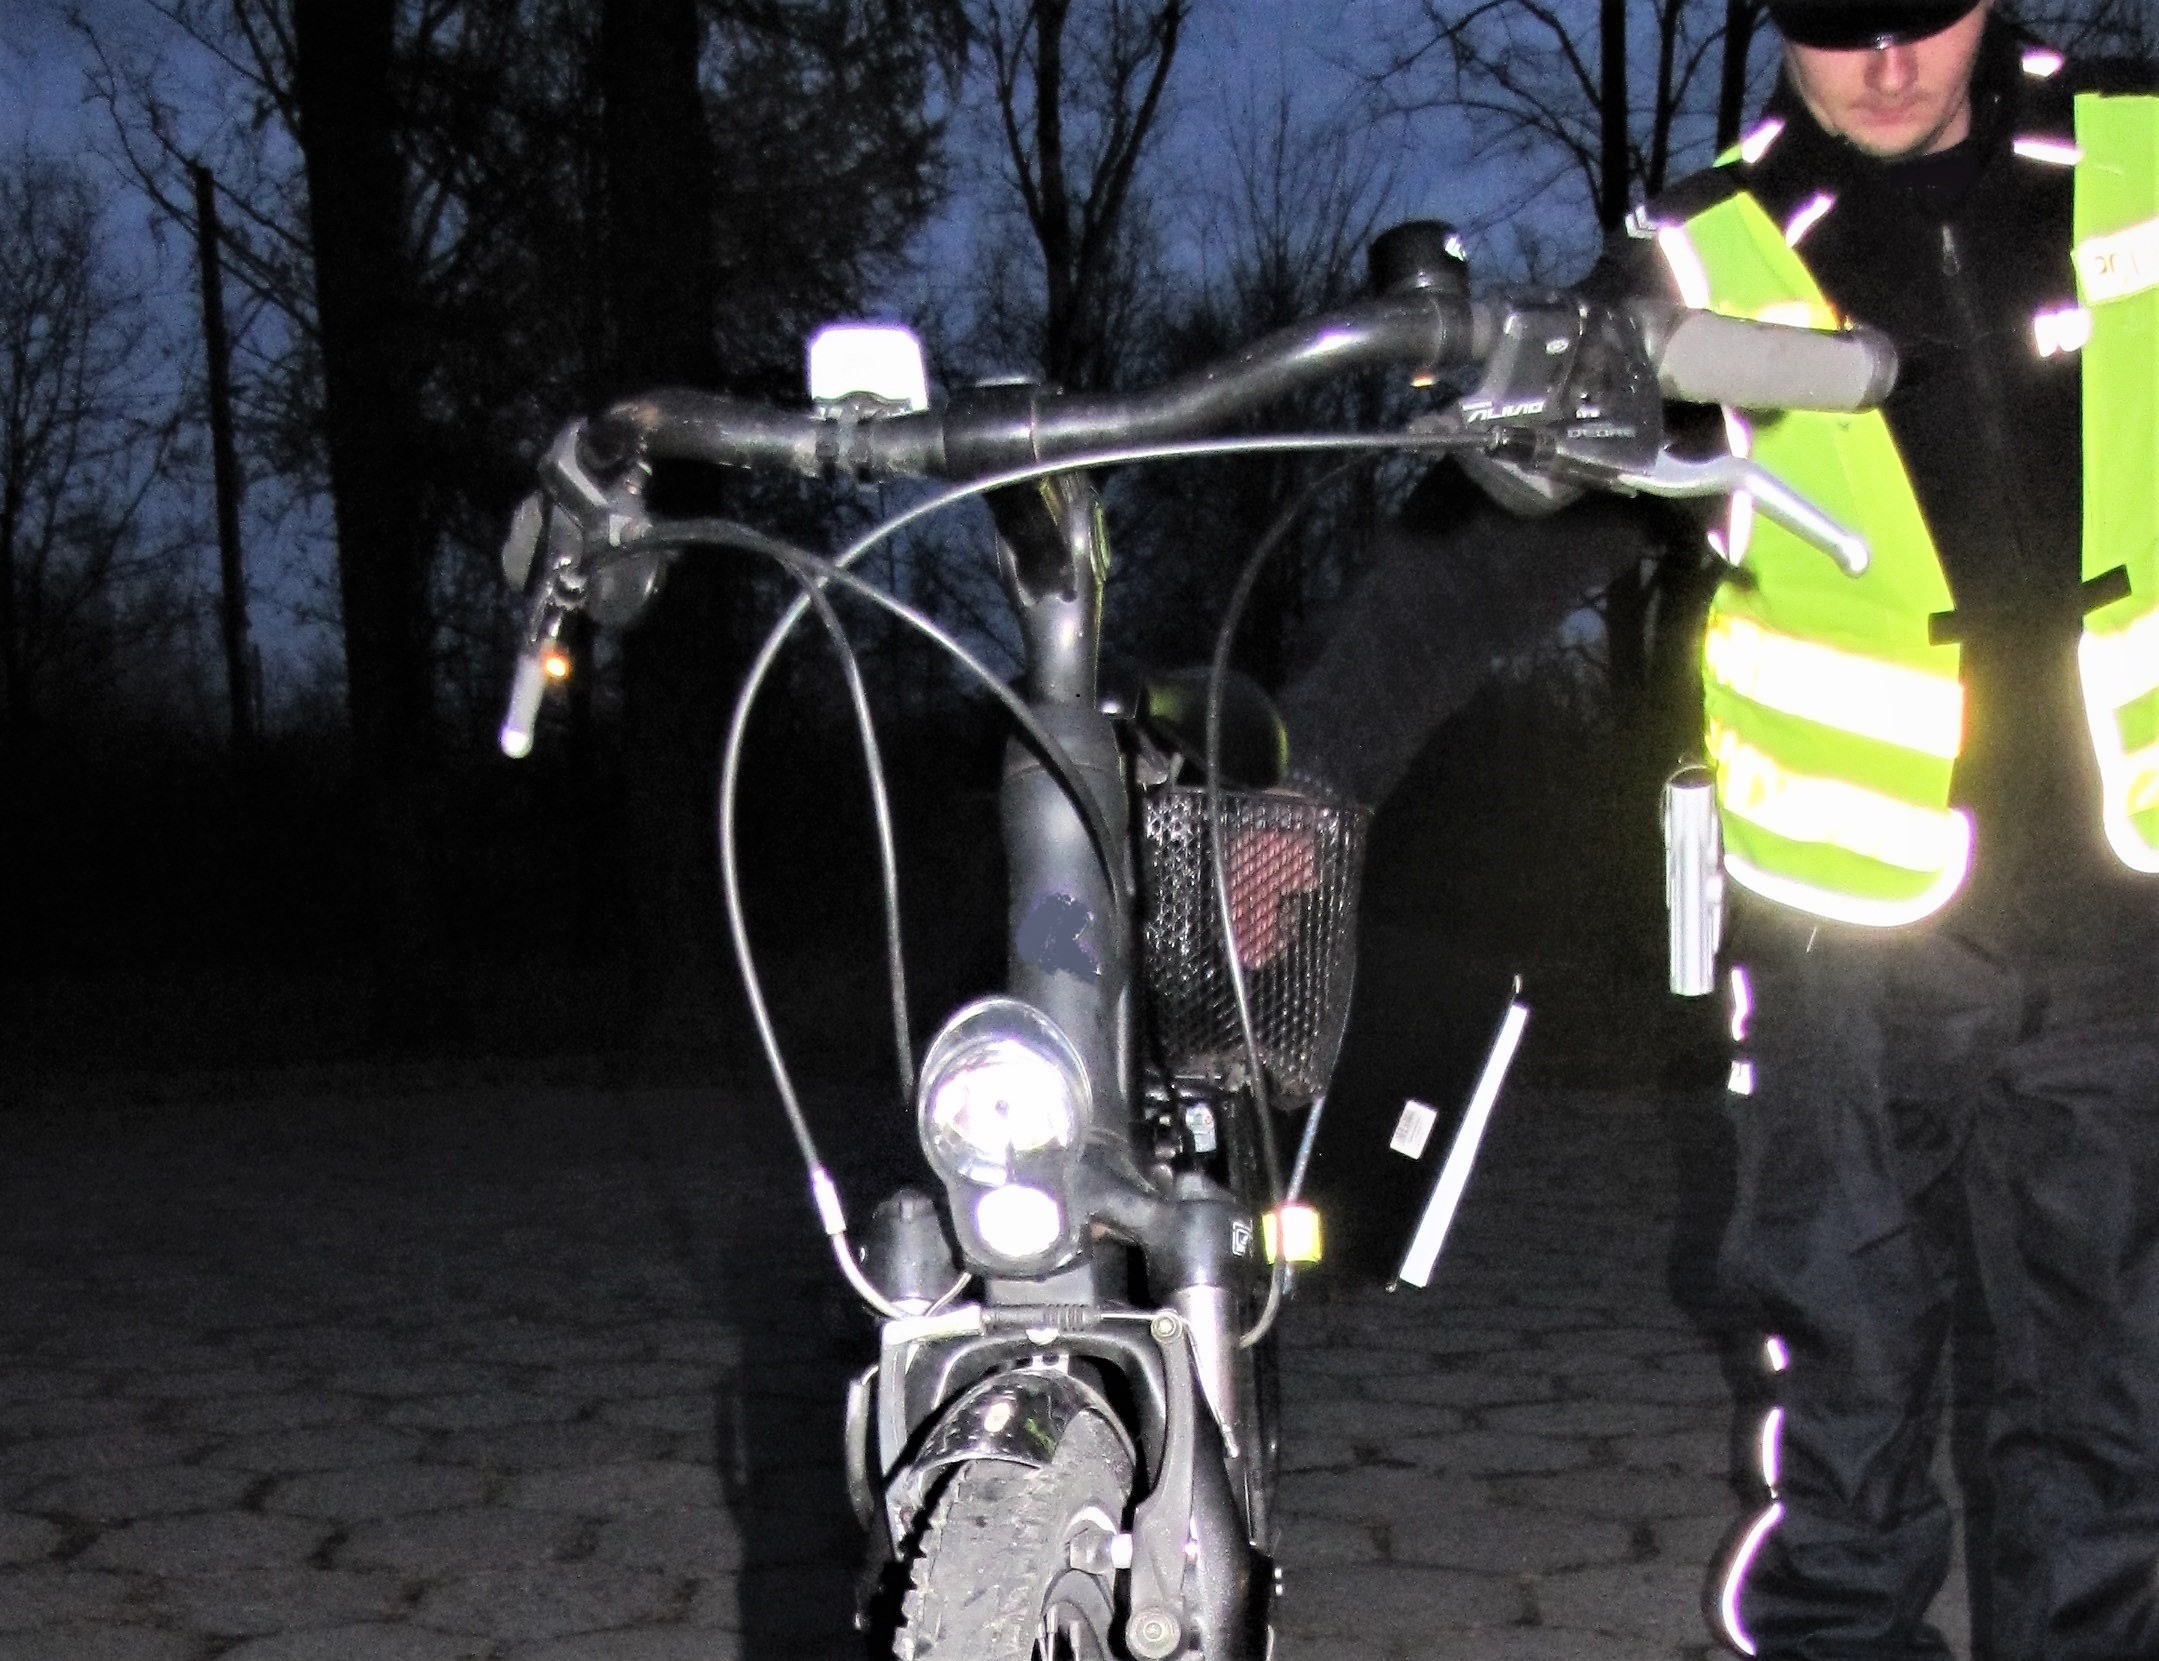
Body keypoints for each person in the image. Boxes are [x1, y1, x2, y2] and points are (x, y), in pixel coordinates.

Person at [1280, 3, 2159, 1656]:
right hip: (1846, 943)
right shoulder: (1705, 261)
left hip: (2121, 919)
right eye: (1836, 20)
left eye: (1921, 10)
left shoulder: (2141, 152)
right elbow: (1482, 551)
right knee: (1849, 1417)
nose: (1886, 60)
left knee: (2110, 1422)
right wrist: (1309, 781)